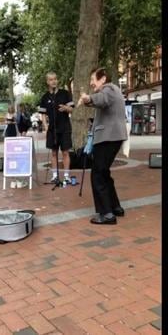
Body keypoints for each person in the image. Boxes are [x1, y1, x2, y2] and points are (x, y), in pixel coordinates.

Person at [78, 68, 128, 225]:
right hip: (112, 137)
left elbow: (102, 99)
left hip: (108, 138)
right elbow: (100, 102)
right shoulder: (114, 90)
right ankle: (115, 207)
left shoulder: (109, 89)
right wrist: (88, 101)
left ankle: (106, 214)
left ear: (103, 79)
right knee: (104, 173)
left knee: (98, 174)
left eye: (93, 79)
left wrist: (87, 98)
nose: (91, 83)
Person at [38, 72, 74, 183]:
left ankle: (67, 176)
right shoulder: (45, 97)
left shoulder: (65, 93)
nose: (53, 81)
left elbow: (72, 109)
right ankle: (54, 176)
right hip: (52, 129)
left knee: (65, 152)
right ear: (47, 82)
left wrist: (66, 108)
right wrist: (45, 126)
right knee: (53, 153)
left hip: (64, 127)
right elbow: (42, 114)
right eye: (51, 79)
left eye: (55, 79)